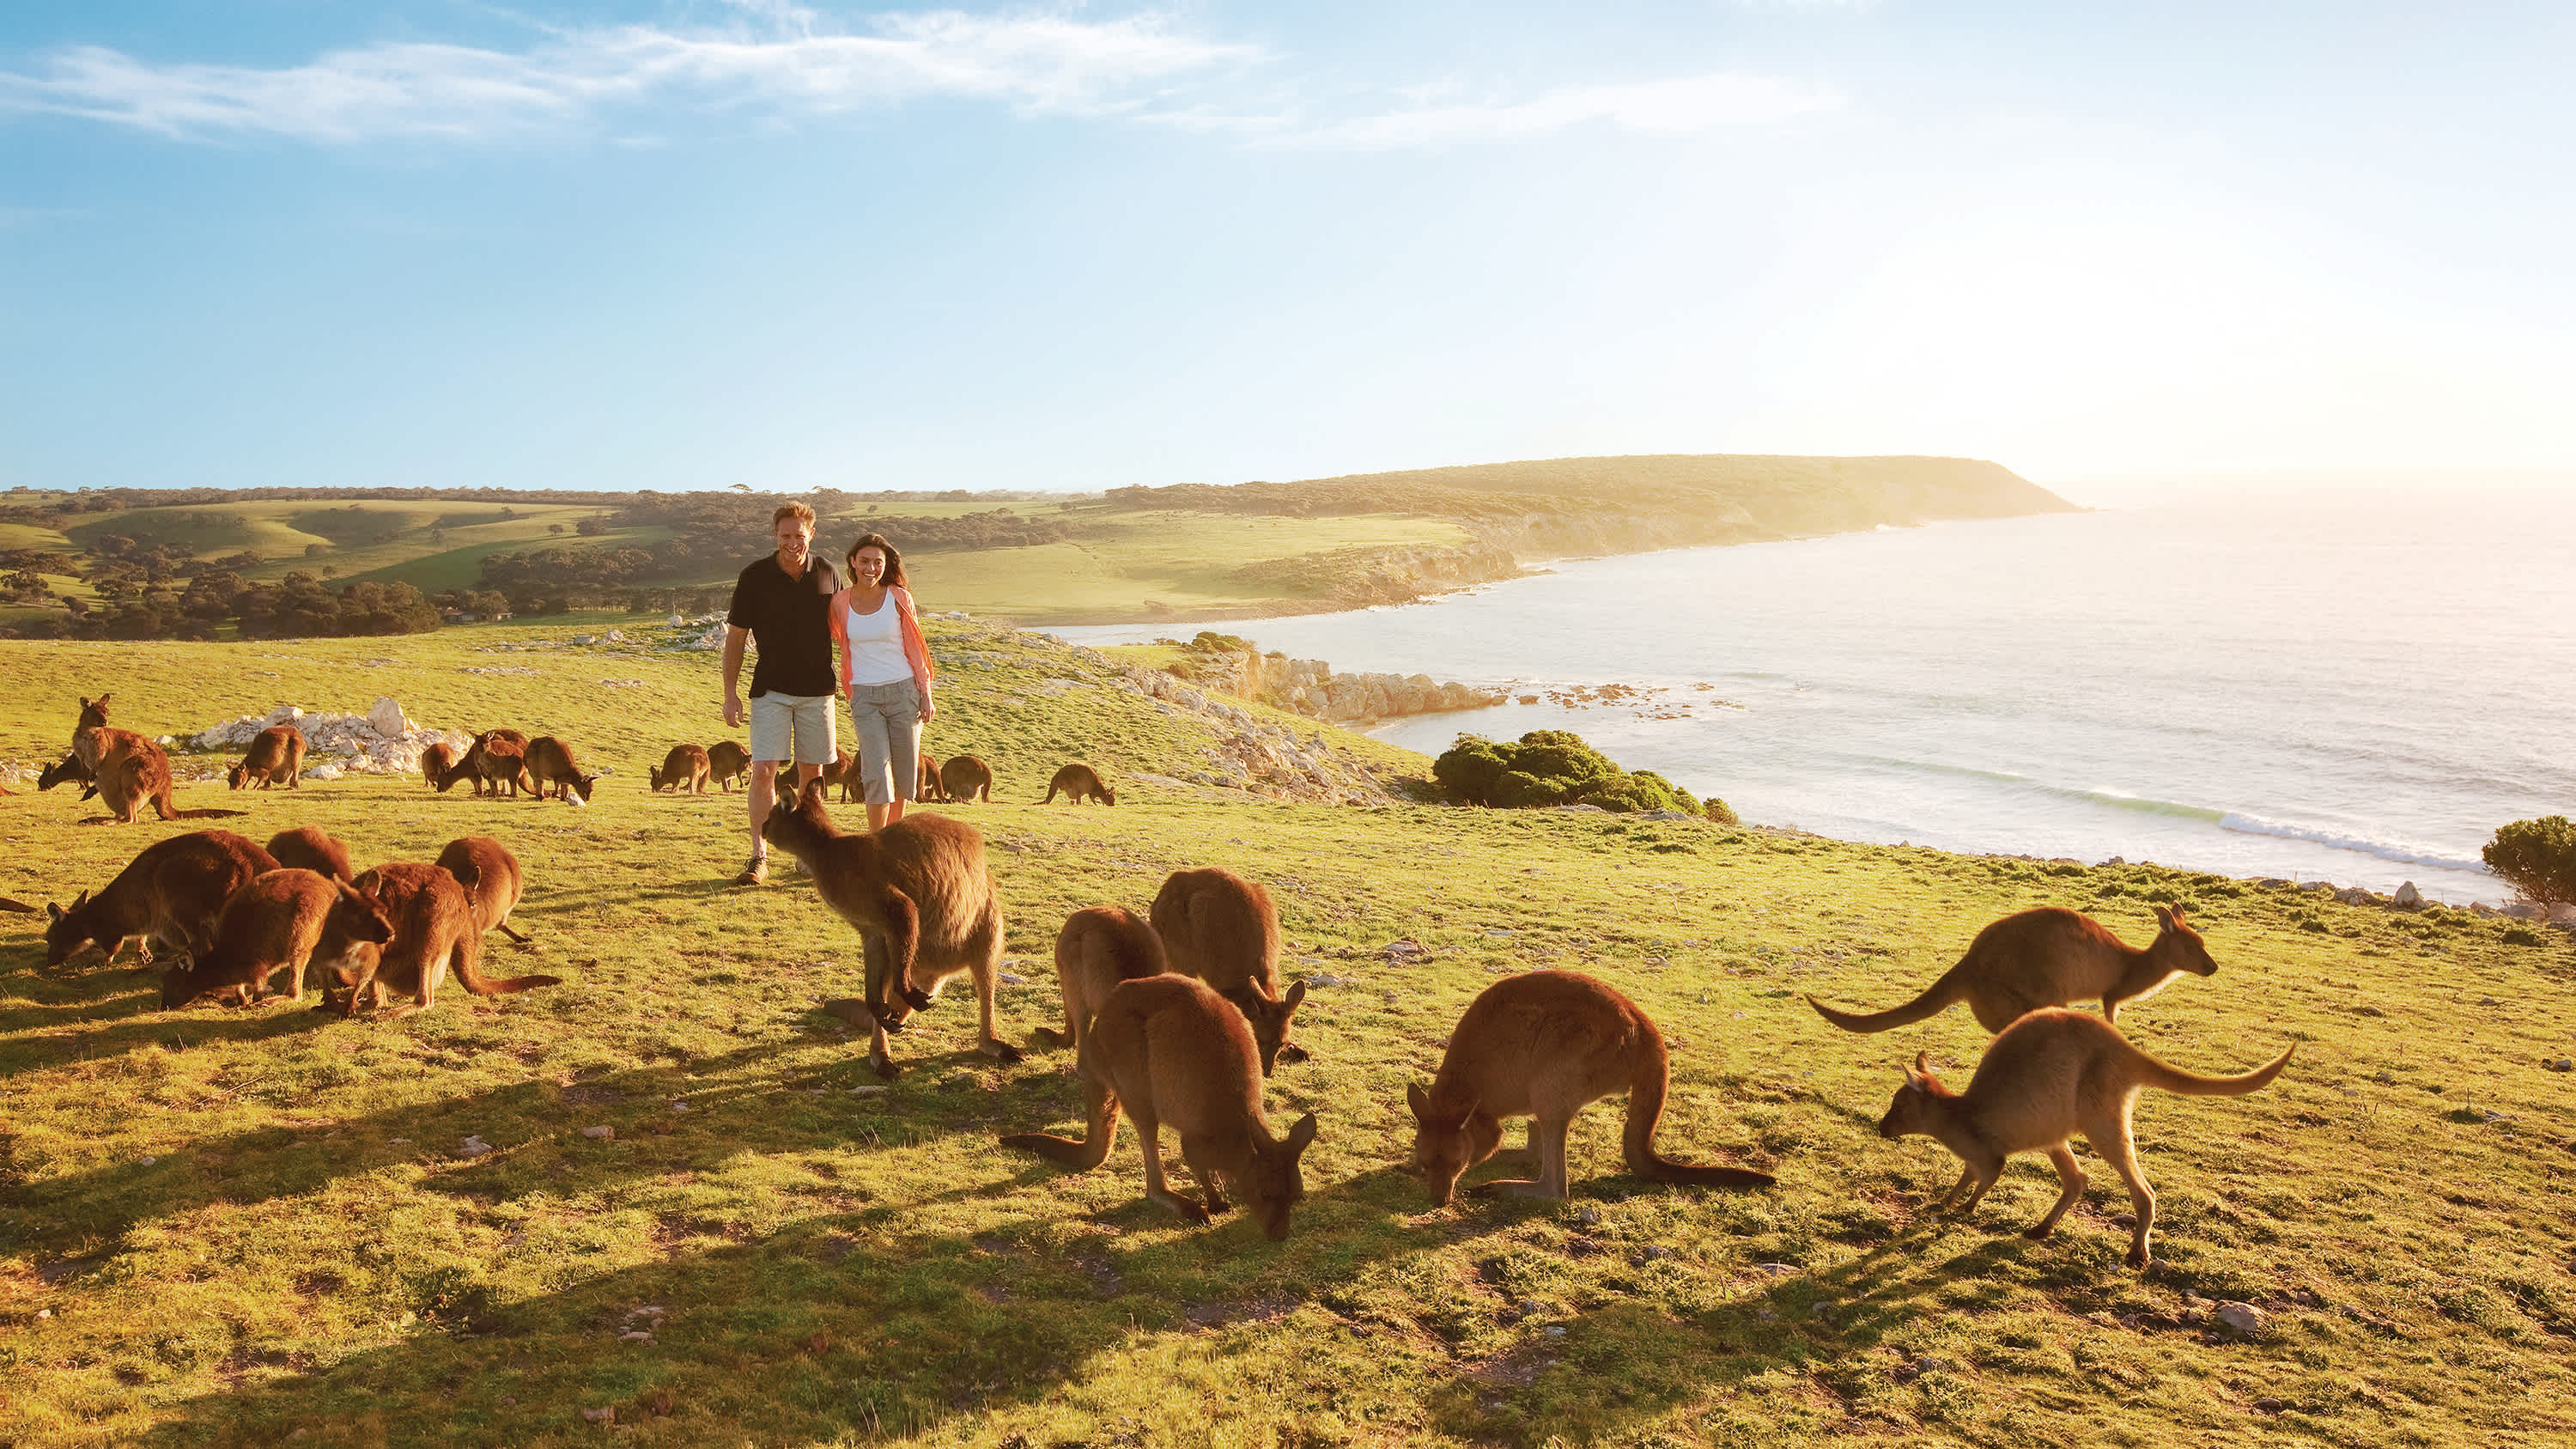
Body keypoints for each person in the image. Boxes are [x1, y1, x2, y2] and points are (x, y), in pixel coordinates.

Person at [721, 502, 841, 884]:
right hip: (769, 690)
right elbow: (736, 639)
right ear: (775, 534)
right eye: (785, 535)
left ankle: (808, 855)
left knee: (812, 774)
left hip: (817, 692)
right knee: (763, 772)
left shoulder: (828, 574)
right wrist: (730, 693)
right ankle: (759, 855)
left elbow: (847, 630)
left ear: (812, 535)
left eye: (799, 536)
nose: (792, 542)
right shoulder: (754, 576)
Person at [828, 532, 936, 831]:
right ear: (852, 562)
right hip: (864, 696)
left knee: (904, 775)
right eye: (864, 561)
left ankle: (890, 841)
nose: (870, 568)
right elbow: (836, 640)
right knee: (876, 772)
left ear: (885, 565)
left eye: (878, 562)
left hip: (904, 692)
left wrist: (925, 693)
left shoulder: (899, 597)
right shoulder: (840, 602)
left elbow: (914, 647)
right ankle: (876, 843)